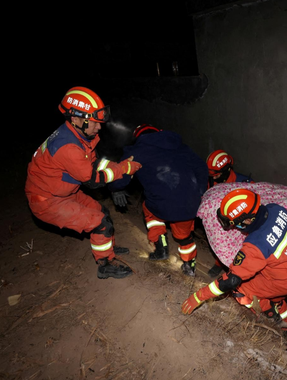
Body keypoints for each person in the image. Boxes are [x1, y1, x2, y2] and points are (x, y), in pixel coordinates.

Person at [25, 86, 141, 279]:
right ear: (76, 118)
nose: (99, 127)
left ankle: (107, 246)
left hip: (63, 191)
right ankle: (105, 264)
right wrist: (123, 170)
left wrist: (116, 165)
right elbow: (94, 180)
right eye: (94, 122)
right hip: (47, 200)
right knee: (100, 223)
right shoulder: (68, 147)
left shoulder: (81, 135)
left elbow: (94, 163)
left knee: (102, 212)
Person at [181, 188, 287, 339]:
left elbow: (230, 280)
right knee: (276, 297)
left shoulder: (256, 245)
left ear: (247, 220)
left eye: (236, 225)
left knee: (240, 288)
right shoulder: (276, 209)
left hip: (281, 281)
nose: (236, 229)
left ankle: (267, 315)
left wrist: (199, 296)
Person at [109, 124, 208, 277]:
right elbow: (201, 167)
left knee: (149, 210)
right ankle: (189, 265)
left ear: (139, 137)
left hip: (161, 205)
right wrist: (200, 192)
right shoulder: (181, 146)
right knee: (184, 235)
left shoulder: (138, 151)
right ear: (160, 132)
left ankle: (160, 246)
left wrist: (115, 188)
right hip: (189, 205)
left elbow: (121, 173)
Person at [205, 149, 254, 278]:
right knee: (219, 243)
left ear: (226, 169)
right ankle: (219, 263)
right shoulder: (211, 181)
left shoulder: (244, 184)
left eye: (216, 174)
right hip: (222, 223)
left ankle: (234, 271)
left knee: (241, 250)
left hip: (240, 224)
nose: (213, 177)